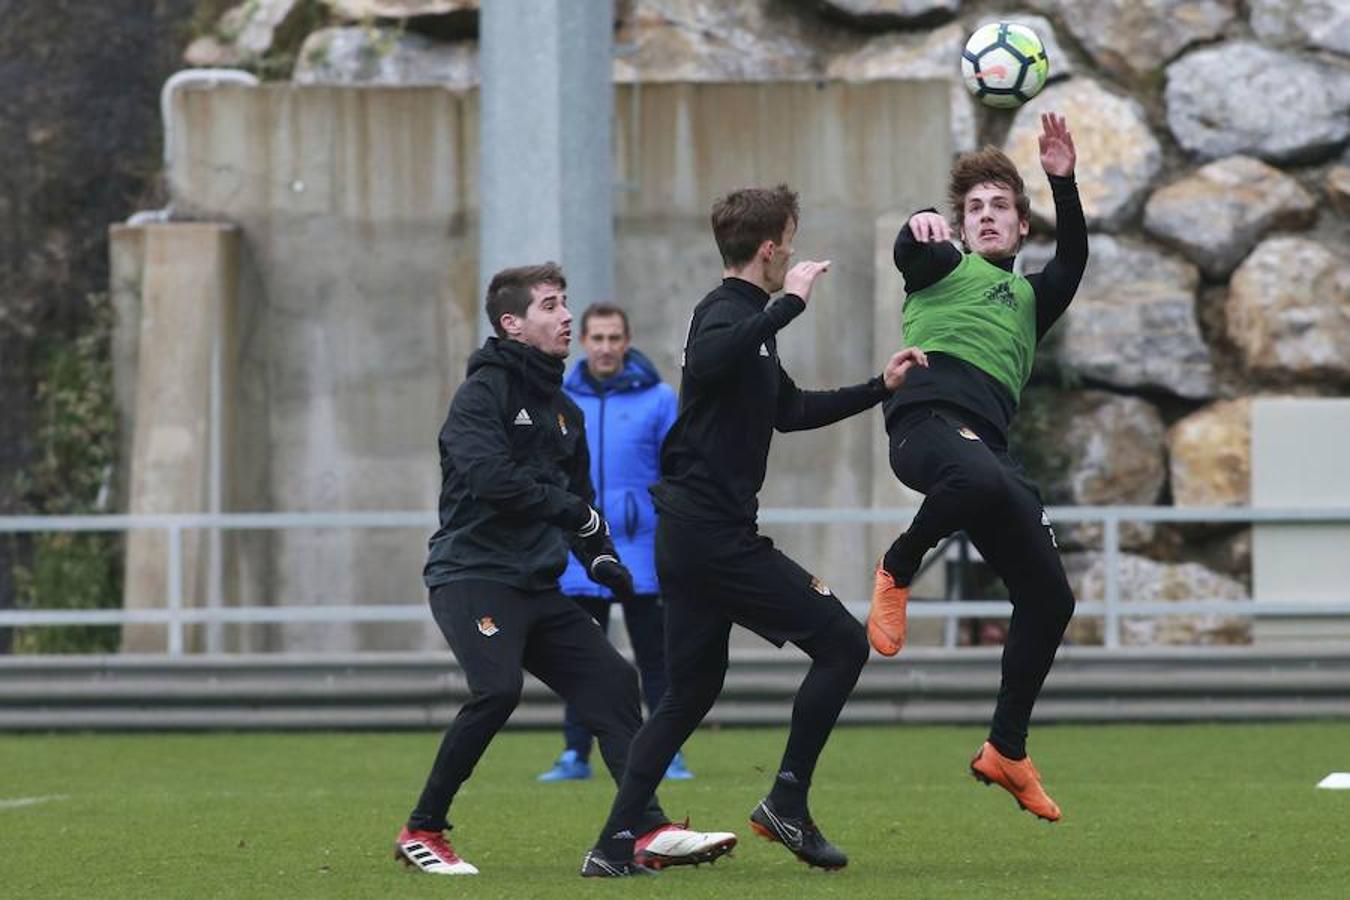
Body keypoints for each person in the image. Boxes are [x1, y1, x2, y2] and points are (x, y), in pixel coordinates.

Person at [581, 185, 928, 877]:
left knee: (688, 695)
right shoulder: (725, 312)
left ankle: (614, 845)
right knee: (841, 642)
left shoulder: (749, 324)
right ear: (769, 250)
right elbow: (712, 360)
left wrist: (879, 387)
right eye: (789, 245)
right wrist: (789, 305)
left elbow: (789, 410)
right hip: (711, 536)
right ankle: (786, 803)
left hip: (696, 535)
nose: (793, 257)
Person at [396, 262, 734, 876]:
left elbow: (581, 504)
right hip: (472, 576)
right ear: (512, 324)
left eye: (564, 302)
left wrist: (601, 557)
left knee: (614, 681)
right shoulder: (482, 395)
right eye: (550, 305)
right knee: (498, 690)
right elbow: (492, 480)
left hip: (536, 582)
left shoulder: (564, 413)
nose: (566, 316)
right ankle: (423, 830)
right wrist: (574, 513)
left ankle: (645, 828)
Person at [868, 113, 1087, 822]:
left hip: (984, 449)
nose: (986, 215)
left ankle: (1006, 749)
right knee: (980, 477)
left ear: (1021, 227)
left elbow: (1074, 260)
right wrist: (920, 223)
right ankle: (898, 566)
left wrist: (1063, 182)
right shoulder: (943, 264)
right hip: (925, 427)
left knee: (1051, 598)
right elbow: (910, 250)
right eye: (974, 209)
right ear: (961, 228)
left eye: (999, 207)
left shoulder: (1031, 298)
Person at [537, 303, 694, 783]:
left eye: (614, 338)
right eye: (597, 338)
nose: (606, 348)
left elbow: (678, 470)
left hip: (641, 551)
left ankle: (667, 753)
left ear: (627, 342)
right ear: (583, 342)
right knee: (580, 661)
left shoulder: (659, 399)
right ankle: (575, 754)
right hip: (580, 554)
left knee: (655, 659)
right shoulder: (558, 398)